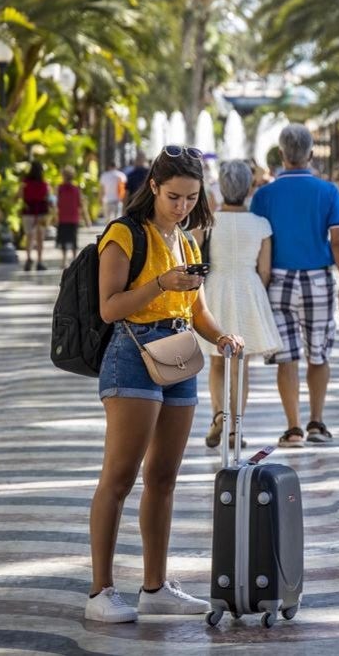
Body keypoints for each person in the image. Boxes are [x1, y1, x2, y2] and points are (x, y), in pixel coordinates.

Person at [87, 145, 244, 624]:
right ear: (153, 186)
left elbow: (195, 310)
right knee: (119, 477)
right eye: (174, 196)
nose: (182, 206)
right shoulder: (124, 233)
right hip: (132, 355)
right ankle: (101, 592)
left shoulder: (187, 241)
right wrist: (162, 284)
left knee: (163, 479)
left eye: (192, 198)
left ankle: (155, 586)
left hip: (179, 356)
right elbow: (110, 308)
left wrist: (222, 336)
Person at [249, 124, 339, 448]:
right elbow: (338, 241)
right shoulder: (328, 192)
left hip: (278, 280)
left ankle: (293, 428)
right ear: (310, 154)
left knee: (287, 357)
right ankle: (317, 423)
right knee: (318, 354)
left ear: (281, 154)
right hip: (318, 280)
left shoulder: (263, 195)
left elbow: (260, 245)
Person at [192, 160, 283, 450]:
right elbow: (265, 270)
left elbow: (195, 259)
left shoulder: (208, 221)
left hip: (215, 288)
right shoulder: (261, 224)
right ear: (248, 188)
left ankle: (218, 414)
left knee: (216, 361)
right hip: (248, 287)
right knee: (241, 365)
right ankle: (236, 429)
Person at [56, 166, 91, 265]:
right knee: (73, 239)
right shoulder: (76, 189)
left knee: (63, 239)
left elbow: (57, 203)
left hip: (63, 217)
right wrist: (87, 219)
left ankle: (64, 260)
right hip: (73, 217)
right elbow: (81, 205)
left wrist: (54, 216)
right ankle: (74, 259)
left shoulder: (60, 188)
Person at [21, 161, 52, 271]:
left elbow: (20, 196)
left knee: (29, 236)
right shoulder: (44, 184)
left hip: (28, 211)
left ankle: (28, 258)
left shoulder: (24, 183)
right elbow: (48, 198)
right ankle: (39, 261)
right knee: (40, 238)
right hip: (42, 213)